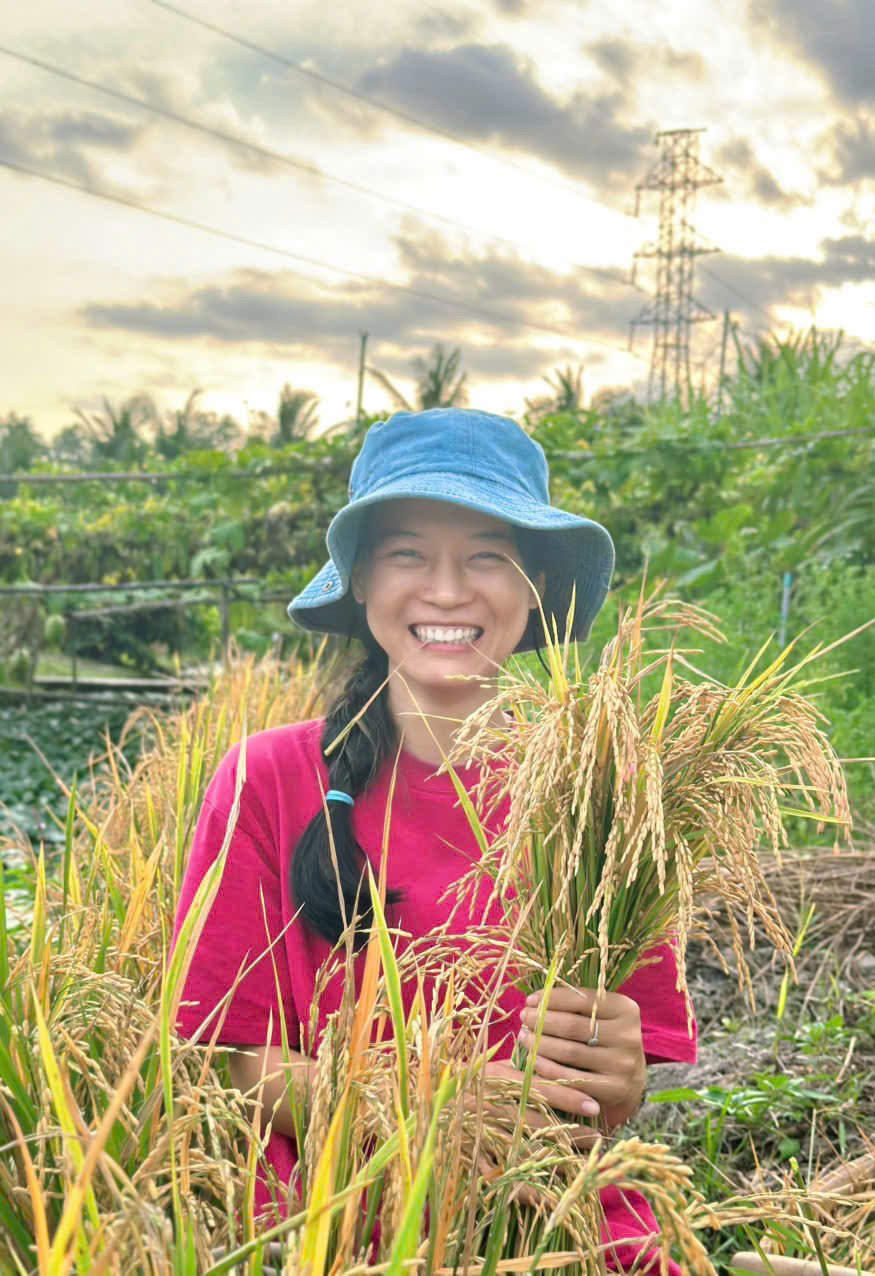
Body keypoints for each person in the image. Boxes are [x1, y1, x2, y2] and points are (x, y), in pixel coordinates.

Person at [170, 407, 697, 1273]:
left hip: (546, 1220)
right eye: (407, 552)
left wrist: (615, 1079)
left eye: (487, 554)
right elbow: (228, 1064)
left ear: (532, 589)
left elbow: (618, 1089)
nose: (447, 590)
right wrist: (434, 1104)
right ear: (364, 583)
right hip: (330, 1221)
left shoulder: (604, 797)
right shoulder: (267, 779)